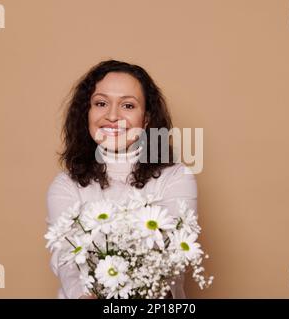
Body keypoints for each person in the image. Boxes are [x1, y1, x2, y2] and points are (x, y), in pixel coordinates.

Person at [46, 59, 197, 299]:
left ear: (146, 119)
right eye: (101, 103)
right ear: (87, 112)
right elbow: (64, 255)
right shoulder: (65, 185)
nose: (112, 115)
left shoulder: (176, 178)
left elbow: (174, 257)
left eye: (127, 105)